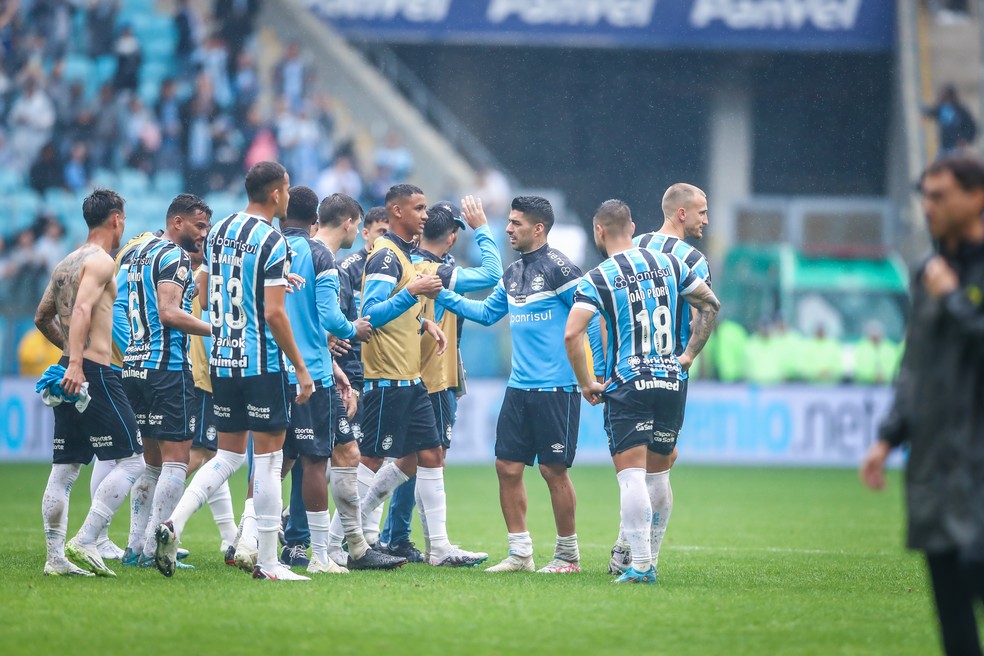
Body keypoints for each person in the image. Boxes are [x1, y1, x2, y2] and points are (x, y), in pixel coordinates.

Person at [154, 161, 315, 582]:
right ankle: (267, 562)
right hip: (261, 365)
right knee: (269, 459)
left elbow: (204, 298)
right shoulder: (274, 240)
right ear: (277, 193)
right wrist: (300, 368)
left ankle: (173, 523)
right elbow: (276, 314)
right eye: (286, 188)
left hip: (223, 361)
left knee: (225, 456)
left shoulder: (220, 230)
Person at [436, 195, 603, 573]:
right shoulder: (512, 274)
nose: (508, 229)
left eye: (515, 223)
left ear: (538, 228)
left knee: (552, 470)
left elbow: (590, 320)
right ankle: (520, 553)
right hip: (518, 388)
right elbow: (485, 312)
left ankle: (567, 556)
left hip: (557, 389)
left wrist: (594, 375)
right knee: (507, 466)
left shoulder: (561, 269)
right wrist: (442, 295)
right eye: (508, 222)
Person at [861, 155, 984, 656]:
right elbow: (916, 363)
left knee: (975, 566)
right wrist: (889, 435)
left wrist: (956, 298)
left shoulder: (955, 280)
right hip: (935, 460)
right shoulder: (927, 272)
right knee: (951, 603)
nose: (928, 206)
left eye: (940, 196)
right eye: (925, 196)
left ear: (976, 197)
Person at [566, 199, 719, 583]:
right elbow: (710, 304)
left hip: (628, 382)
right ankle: (649, 559)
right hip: (670, 380)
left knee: (631, 476)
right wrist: (686, 356)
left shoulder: (598, 277)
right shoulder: (669, 263)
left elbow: (573, 332)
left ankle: (640, 564)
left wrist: (587, 381)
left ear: (599, 231)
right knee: (658, 477)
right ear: (633, 228)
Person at [355, 183, 488, 567]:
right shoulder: (385, 257)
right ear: (397, 211)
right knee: (370, 459)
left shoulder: (406, 254)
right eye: (419, 207)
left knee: (430, 454)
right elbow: (370, 313)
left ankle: (440, 548)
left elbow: (402, 308)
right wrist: (412, 293)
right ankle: (344, 540)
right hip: (387, 376)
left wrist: (424, 322)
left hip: (411, 376)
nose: (425, 215)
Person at [277, 187, 403, 573]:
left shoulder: (283, 250)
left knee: (298, 457)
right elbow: (330, 318)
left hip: (288, 366)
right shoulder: (323, 257)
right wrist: (353, 328)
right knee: (314, 460)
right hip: (309, 373)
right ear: (350, 224)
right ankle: (319, 552)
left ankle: (351, 545)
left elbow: (303, 319)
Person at [34, 188, 145, 577]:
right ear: (116, 219)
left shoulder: (65, 263)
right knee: (135, 459)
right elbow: (82, 307)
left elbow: (41, 316)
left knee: (64, 468)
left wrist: (67, 356)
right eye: (124, 220)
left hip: (68, 368)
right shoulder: (101, 261)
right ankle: (85, 538)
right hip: (93, 371)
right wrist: (79, 363)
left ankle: (54, 559)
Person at [606, 183, 714, 573]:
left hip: (629, 366)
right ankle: (641, 555)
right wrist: (688, 356)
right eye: (701, 211)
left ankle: (628, 549)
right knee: (661, 460)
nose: (706, 218)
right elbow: (706, 310)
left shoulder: (639, 244)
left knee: (637, 462)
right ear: (681, 213)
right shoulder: (694, 260)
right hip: (671, 369)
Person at [118, 194, 212, 568]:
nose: (203, 234)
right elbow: (169, 313)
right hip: (168, 368)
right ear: (177, 223)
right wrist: (215, 329)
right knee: (176, 462)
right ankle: (158, 548)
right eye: (198, 226)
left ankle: (135, 548)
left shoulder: (137, 254)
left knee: (150, 465)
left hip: (135, 366)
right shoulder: (173, 257)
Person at [325, 205, 387, 560]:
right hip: (353, 374)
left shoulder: (393, 263)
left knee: (373, 454)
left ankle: (367, 535)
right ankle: (327, 536)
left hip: (381, 371)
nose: (383, 239)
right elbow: (342, 325)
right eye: (379, 231)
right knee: (355, 455)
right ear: (364, 232)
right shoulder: (348, 269)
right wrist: (346, 373)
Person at [924, 85, 977, 158]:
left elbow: (971, 127)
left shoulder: (960, 110)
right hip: (944, 147)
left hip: (957, 147)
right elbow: (931, 112)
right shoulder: (941, 108)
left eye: (945, 95)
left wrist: (965, 139)